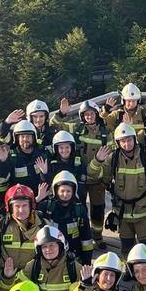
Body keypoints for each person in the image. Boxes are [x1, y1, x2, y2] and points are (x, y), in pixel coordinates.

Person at [89, 123, 146, 254]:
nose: (126, 144)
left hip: (144, 212)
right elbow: (95, 175)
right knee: (126, 249)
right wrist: (97, 160)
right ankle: (129, 273)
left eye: (129, 140)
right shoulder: (112, 159)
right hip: (122, 213)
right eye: (123, 141)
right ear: (118, 143)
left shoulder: (145, 157)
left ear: (134, 139)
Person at [51, 98, 110, 244]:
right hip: (79, 177)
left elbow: (110, 160)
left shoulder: (105, 133)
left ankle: (97, 236)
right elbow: (54, 125)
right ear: (82, 116)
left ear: (97, 114)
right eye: (86, 114)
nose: (89, 117)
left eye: (91, 114)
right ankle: (82, 235)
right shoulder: (76, 129)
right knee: (80, 208)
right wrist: (61, 113)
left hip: (97, 179)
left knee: (98, 209)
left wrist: (107, 179)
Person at [37, 171, 94, 264]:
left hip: (74, 256)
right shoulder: (46, 207)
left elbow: (86, 237)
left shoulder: (79, 210)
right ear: (56, 191)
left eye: (68, 191)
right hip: (51, 257)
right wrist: (37, 199)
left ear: (73, 192)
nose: (65, 194)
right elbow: (27, 215)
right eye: (62, 191)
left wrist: (86, 262)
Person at [0, 119, 49, 195]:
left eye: (28, 136)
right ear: (17, 138)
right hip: (19, 200)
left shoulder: (43, 153)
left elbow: (51, 178)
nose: (25, 139)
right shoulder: (11, 156)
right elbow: (2, 182)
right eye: (22, 136)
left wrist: (45, 174)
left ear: (34, 137)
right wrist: (3, 162)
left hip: (41, 197)